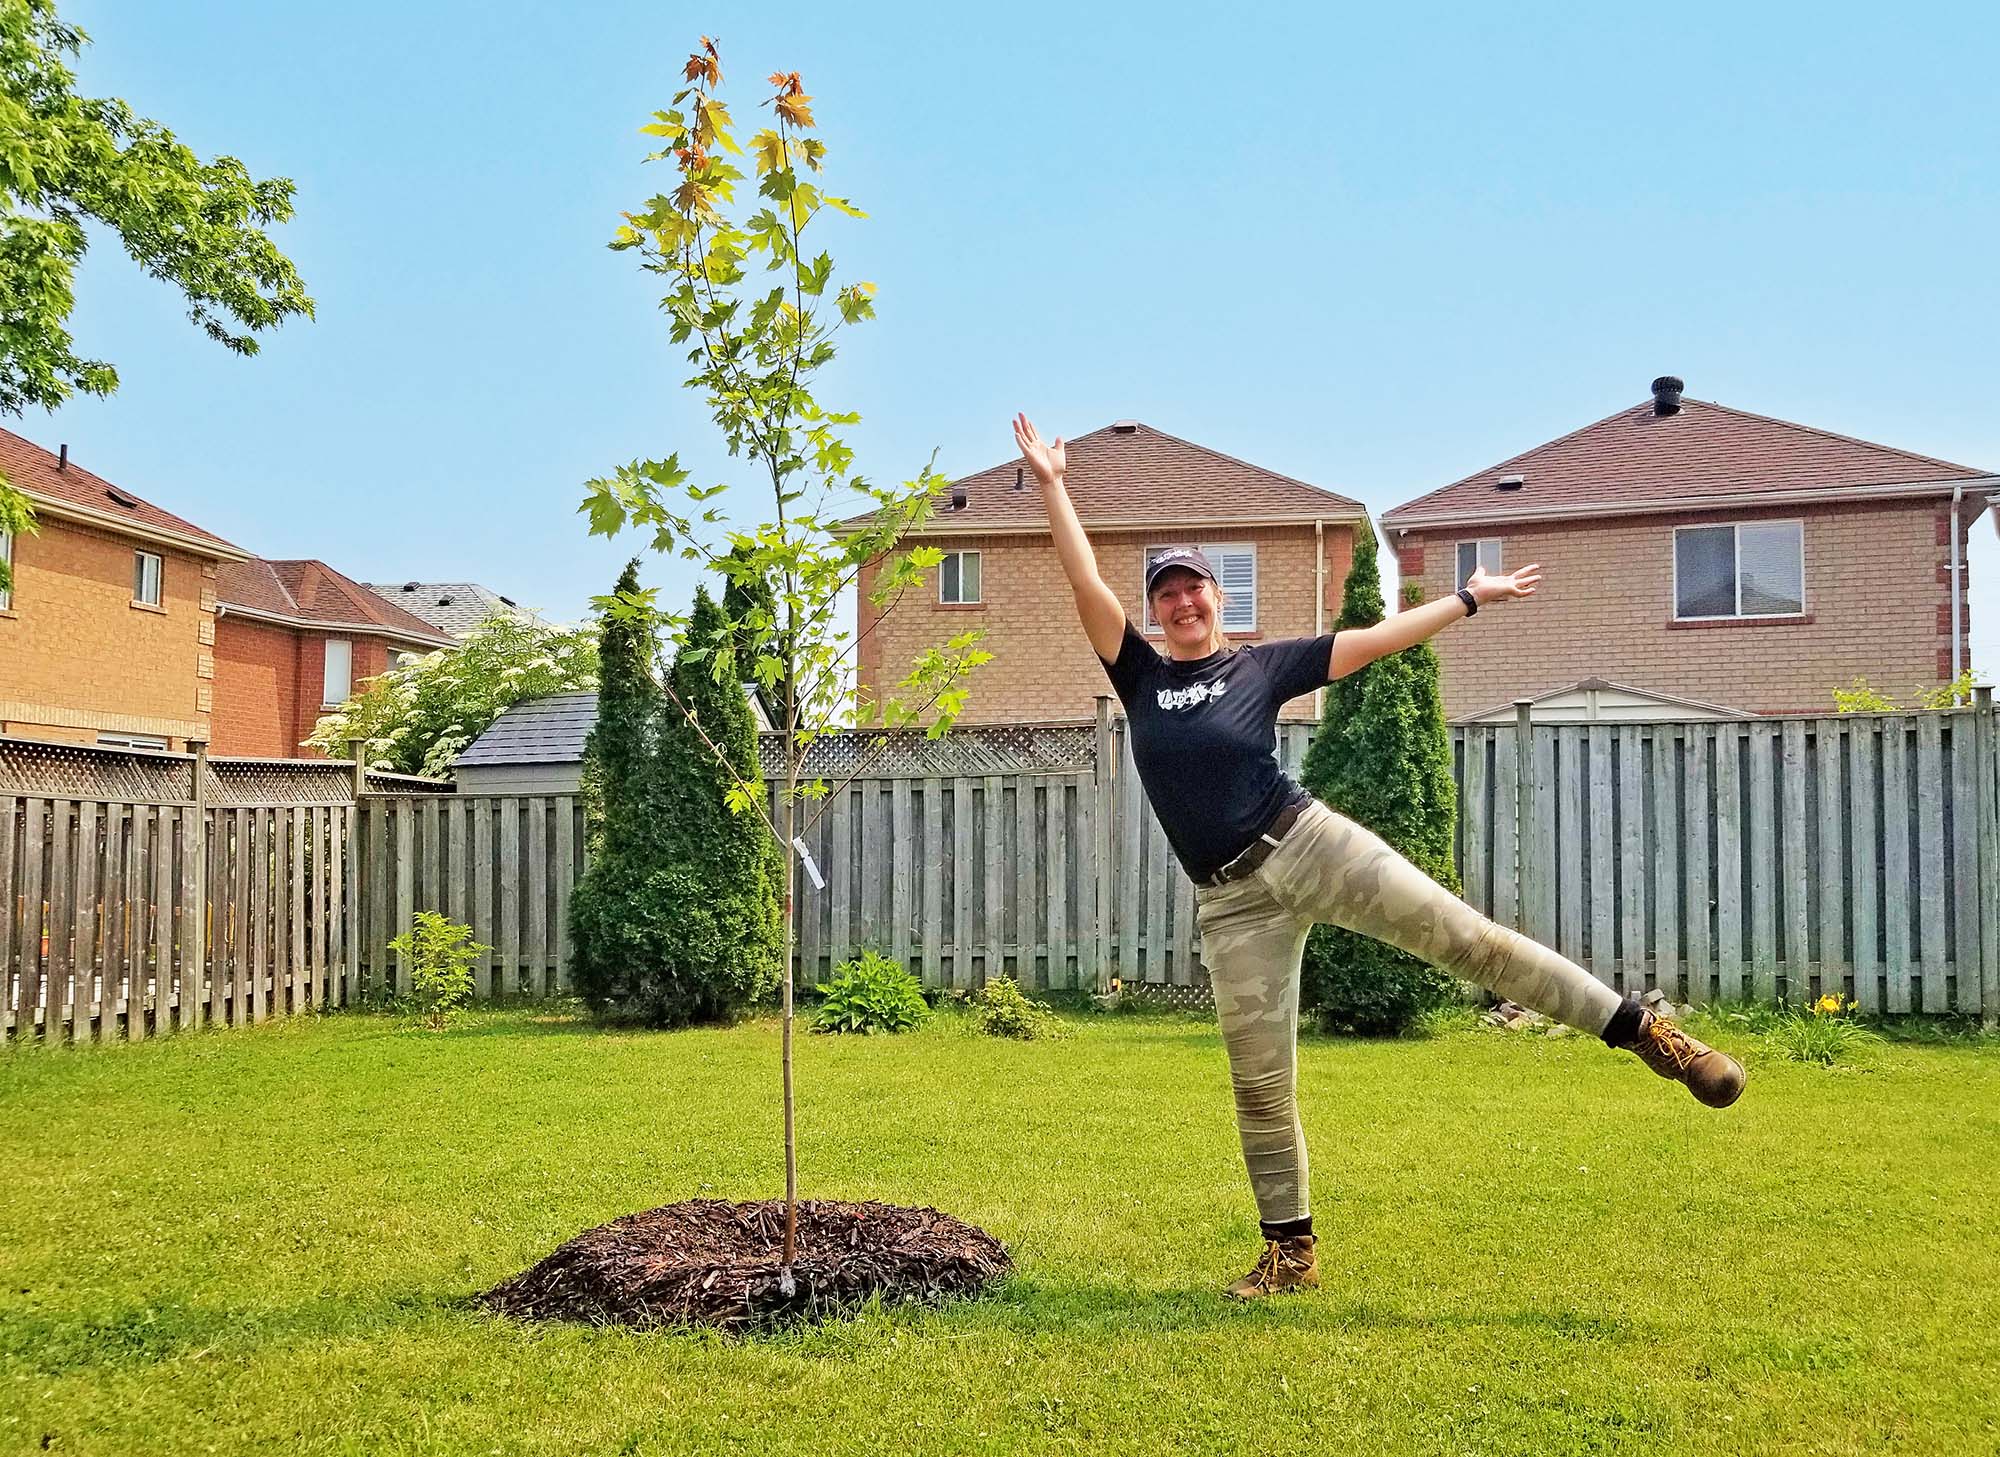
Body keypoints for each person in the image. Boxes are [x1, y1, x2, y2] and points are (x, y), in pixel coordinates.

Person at [1010, 413, 1746, 1302]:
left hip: (1310, 843)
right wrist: (1054, 482)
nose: (1181, 603)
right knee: (1258, 1082)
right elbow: (1083, 576)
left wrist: (1467, 598)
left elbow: (1373, 644)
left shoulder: (1261, 667)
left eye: (1192, 587)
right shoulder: (1139, 675)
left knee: (1472, 942)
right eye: (1165, 593)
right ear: (1154, 609)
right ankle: (1290, 1253)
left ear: (1216, 596)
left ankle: (1650, 1035)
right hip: (1231, 903)